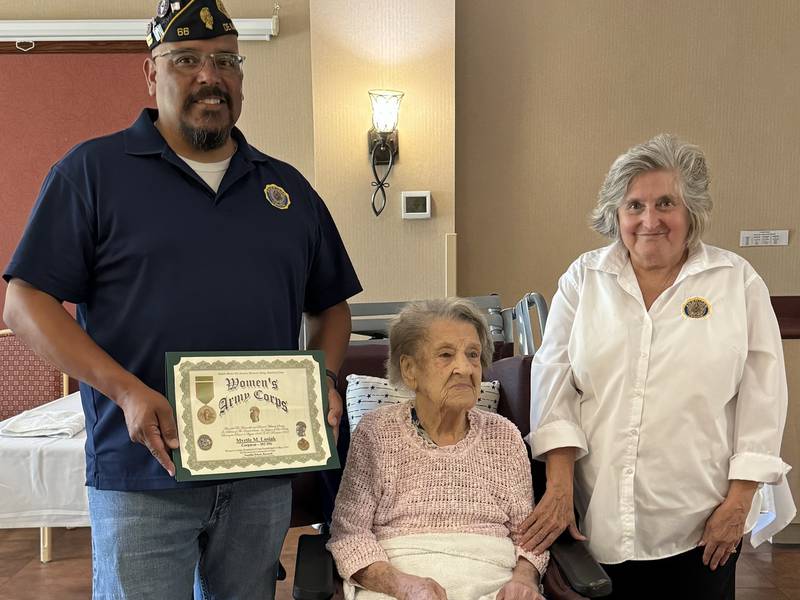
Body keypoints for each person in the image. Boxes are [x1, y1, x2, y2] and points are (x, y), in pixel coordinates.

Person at [2, 1, 361, 598]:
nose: (208, 75)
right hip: (142, 474)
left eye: (225, 61)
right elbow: (25, 302)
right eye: (186, 59)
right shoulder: (91, 173)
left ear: (241, 79)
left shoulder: (287, 190)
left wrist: (320, 376)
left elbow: (330, 305)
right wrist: (124, 390)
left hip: (259, 473)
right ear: (151, 72)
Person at [520, 134, 791, 599]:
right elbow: (554, 383)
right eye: (634, 205)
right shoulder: (584, 279)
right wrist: (559, 486)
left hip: (700, 522)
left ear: (692, 212)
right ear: (616, 214)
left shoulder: (736, 281)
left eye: (665, 203)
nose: (650, 220)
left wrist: (740, 500)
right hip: (597, 513)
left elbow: (763, 397)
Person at [328, 298, 548, 600]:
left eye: (473, 355)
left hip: (493, 585)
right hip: (398, 587)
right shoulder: (376, 433)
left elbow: (529, 538)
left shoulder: (504, 436)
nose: (465, 367)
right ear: (410, 370)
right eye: (446, 355)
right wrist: (404, 586)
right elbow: (349, 535)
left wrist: (524, 580)